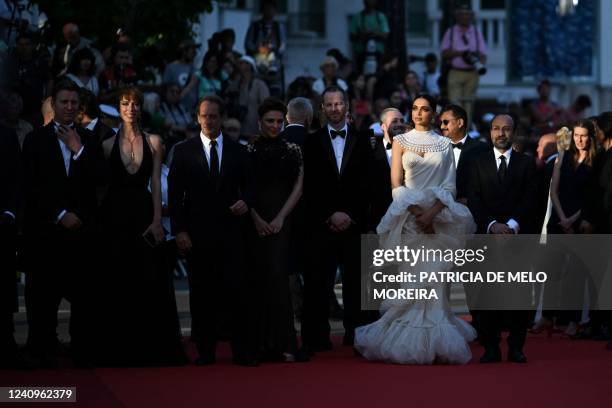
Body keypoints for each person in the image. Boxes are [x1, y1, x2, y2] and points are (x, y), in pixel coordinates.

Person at [354, 94, 477, 364]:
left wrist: (432, 214)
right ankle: (408, 341)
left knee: (434, 282)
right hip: (408, 221)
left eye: (425, 109)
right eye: (415, 109)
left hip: (439, 221)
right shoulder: (399, 141)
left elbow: (449, 186)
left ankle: (436, 342)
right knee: (411, 282)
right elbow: (396, 184)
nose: (419, 113)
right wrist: (419, 214)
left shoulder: (445, 143)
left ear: (433, 113)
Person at [93, 87, 186, 366]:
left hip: (145, 214)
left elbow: (157, 183)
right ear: (119, 108)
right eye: (125, 103)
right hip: (115, 216)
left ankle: (153, 348)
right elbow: (101, 187)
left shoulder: (155, 142)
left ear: (140, 108)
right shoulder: (106, 145)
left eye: (135, 104)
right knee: (118, 280)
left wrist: (158, 220)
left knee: (151, 279)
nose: (130, 108)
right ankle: (119, 348)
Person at [168, 95, 258, 366]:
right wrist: (180, 230)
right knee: (202, 294)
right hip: (197, 235)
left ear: (222, 117)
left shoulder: (238, 150)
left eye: (214, 116)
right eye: (204, 115)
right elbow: (174, 195)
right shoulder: (183, 151)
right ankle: (205, 350)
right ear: (197, 118)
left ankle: (239, 349)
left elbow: (252, 186)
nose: (209, 120)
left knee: (235, 292)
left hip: (232, 234)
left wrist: (247, 201)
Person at [21, 79, 101, 368]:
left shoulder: (90, 141)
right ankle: (41, 348)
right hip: (46, 232)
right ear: (52, 104)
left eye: (74, 103)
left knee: (84, 296)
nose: (69, 107)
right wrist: (58, 214)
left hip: (82, 234)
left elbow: (97, 184)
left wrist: (78, 150)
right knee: (42, 297)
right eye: (64, 102)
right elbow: (31, 187)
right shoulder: (34, 140)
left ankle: (81, 349)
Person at [301, 86, 373, 354]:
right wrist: (329, 214)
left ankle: (357, 338)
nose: (334, 108)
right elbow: (309, 187)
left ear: (347, 106)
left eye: (338, 103)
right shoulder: (310, 142)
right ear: (322, 108)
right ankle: (317, 338)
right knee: (319, 284)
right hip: (322, 225)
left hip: (354, 226)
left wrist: (350, 215)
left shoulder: (364, 140)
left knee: (356, 285)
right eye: (329, 104)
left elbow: (368, 184)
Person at [466, 114, 538, 364]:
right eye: (496, 129)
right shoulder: (477, 162)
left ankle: (517, 347)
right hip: (486, 238)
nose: (501, 133)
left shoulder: (526, 163)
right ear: (490, 132)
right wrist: (492, 225)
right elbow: (473, 199)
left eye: (506, 129)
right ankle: (491, 347)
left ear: (514, 132)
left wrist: (511, 225)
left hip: (517, 239)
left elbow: (531, 199)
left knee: (519, 295)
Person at [247, 98, 303, 362]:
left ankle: (285, 344)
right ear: (260, 122)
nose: (275, 125)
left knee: (279, 279)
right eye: (270, 121)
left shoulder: (293, 149)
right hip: (255, 219)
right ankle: (259, 344)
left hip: (283, 220)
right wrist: (256, 218)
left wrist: (281, 218)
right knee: (257, 279)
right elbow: (242, 189)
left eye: (280, 121)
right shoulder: (248, 149)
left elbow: (298, 188)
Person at [545, 120, 597, 336]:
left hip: (580, 223)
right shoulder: (563, 156)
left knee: (576, 274)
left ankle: (573, 320)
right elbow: (553, 190)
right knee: (550, 270)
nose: (579, 139)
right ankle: (549, 317)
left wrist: (573, 219)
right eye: (576, 135)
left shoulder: (596, 161)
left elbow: (593, 197)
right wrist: (562, 217)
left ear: (591, 137)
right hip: (559, 219)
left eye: (584, 135)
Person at [0, 124, 27, 369]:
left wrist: (10, 211)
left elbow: (17, 177)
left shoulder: (6, 134)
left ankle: (6, 347)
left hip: (2, 224)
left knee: (3, 291)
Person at [441, 3, 487, 125]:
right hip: (455, 71)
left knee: (469, 104)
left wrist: (479, 62)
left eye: (468, 15)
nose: (465, 17)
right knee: (455, 104)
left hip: (472, 73)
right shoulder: (451, 32)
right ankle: (454, 130)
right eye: (462, 14)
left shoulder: (476, 32)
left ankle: (465, 131)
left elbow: (483, 54)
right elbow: (444, 53)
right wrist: (461, 53)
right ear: (457, 16)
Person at [439, 104, 487, 202]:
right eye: (441, 123)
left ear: (460, 122)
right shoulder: (436, 148)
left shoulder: (482, 149)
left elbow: (485, 183)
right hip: (438, 207)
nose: (442, 126)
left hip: (470, 209)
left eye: (446, 122)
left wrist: (470, 201)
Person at [369, 107, 405, 232]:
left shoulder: (412, 151)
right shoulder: (370, 152)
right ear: (382, 126)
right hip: (377, 222)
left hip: (407, 223)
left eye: (401, 121)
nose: (400, 124)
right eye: (395, 121)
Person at [349, 0, 389, 75]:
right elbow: (352, 36)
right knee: (361, 75)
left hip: (377, 54)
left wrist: (373, 33)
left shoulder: (380, 16)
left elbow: (385, 34)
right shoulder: (358, 17)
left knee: (377, 76)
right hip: (361, 53)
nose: (369, 2)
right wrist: (362, 35)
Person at [163, 38, 200, 112]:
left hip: (193, 111)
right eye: (192, 50)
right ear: (183, 51)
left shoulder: (195, 69)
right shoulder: (171, 67)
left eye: (195, 50)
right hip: (176, 111)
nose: (195, 52)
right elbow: (165, 90)